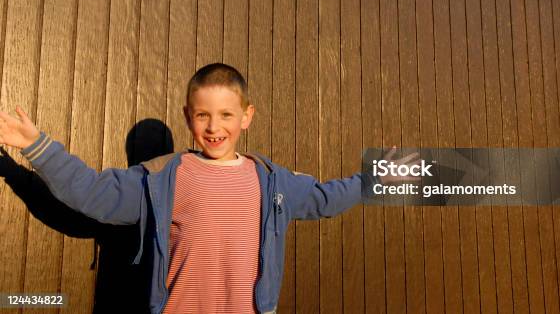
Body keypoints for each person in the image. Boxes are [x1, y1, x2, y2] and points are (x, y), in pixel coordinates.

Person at [0, 63, 418, 314]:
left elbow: (325, 199)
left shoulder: (271, 182)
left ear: (246, 116)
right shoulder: (162, 177)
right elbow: (89, 193)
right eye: (203, 115)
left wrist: (372, 180)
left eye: (225, 115)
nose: (214, 127)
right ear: (188, 116)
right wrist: (35, 148)